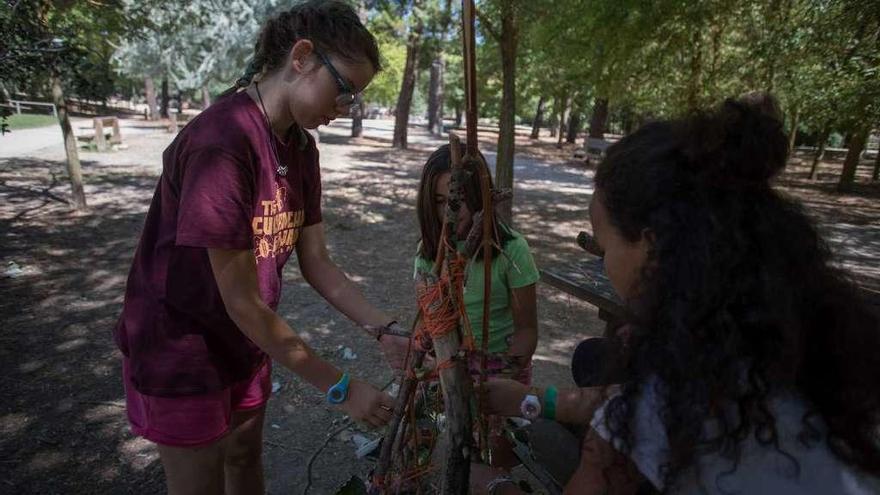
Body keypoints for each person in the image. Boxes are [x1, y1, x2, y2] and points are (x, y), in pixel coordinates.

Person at [476, 94, 880, 494]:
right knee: (592, 357)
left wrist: (493, 486)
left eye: (604, 246)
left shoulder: (653, 411)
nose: (603, 262)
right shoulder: (805, 341)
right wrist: (533, 401)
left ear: (650, 247)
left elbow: (636, 406)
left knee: (556, 428)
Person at [112, 2, 409, 493]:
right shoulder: (223, 143)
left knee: (245, 456)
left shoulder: (301, 148)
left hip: (248, 341)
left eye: (353, 98)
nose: (344, 108)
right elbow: (242, 300)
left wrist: (385, 331)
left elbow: (318, 263)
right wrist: (340, 386)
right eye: (344, 90)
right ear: (303, 57)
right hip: (182, 348)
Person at [414, 144, 540, 465]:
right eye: (440, 202)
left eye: (460, 202)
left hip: (499, 369)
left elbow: (527, 331)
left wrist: (505, 377)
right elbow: (429, 323)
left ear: (481, 198)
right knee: (443, 448)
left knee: (497, 451)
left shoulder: (512, 250)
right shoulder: (429, 254)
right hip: (450, 365)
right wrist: (426, 353)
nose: (450, 213)